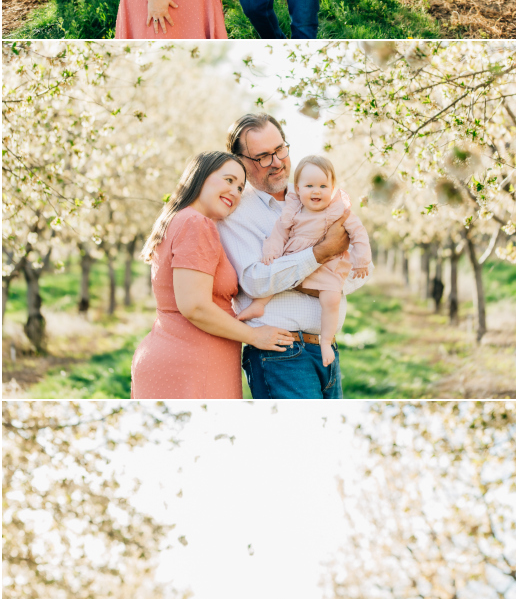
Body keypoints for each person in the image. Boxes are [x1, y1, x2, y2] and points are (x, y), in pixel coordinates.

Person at [130, 151, 290, 403]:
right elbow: (195, 306)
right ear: (200, 176)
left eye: (240, 187)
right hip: (192, 363)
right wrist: (255, 336)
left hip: (180, 357)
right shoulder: (196, 224)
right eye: (228, 180)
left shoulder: (178, 220)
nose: (235, 192)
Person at [217, 111, 352, 399]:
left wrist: (300, 278)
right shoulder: (235, 211)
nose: (277, 162)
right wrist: (320, 256)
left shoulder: (319, 196)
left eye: (280, 149)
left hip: (327, 350)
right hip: (281, 355)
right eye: (263, 156)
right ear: (240, 162)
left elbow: (359, 271)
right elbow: (254, 281)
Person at [260, 155, 372, 367]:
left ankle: (326, 342)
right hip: (294, 260)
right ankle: (258, 306)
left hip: (326, 267)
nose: (316, 191)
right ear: (298, 188)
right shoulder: (293, 210)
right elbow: (279, 233)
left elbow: (359, 234)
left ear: (332, 188)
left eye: (323, 185)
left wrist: (362, 260)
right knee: (273, 281)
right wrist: (272, 251)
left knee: (331, 300)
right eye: (309, 185)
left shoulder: (339, 211)